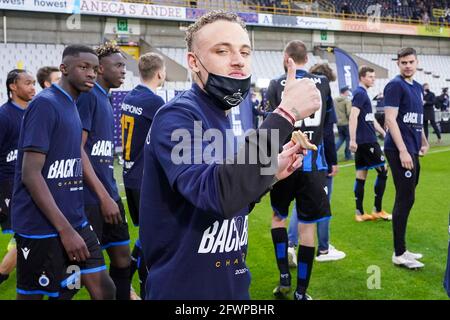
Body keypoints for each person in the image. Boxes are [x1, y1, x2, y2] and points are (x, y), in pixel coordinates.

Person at [139, 11, 321, 300]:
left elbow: (235, 203)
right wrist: (285, 114)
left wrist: (271, 172)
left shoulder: (225, 115)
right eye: (222, 50)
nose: (238, 60)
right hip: (186, 289)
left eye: (244, 51)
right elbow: (217, 194)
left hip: (232, 283)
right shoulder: (177, 115)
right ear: (193, 62)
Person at [11, 45, 116, 299]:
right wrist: (65, 230)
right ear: (64, 69)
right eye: (83, 67)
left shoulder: (73, 104)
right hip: (41, 226)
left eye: (94, 68)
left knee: (104, 289)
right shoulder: (45, 105)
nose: (91, 73)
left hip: (76, 219)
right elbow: (31, 174)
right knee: (33, 295)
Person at [267, 41, 336, 300]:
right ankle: (301, 292)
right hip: (313, 164)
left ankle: (284, 276)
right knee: (307, 229)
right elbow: (329, 126)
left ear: (287, 58)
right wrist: (332, 161)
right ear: (306, 58)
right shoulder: (323, 83)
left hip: (284, 163)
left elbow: (272, 126)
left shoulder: (276, 84)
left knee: (278, 218)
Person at [76, 42, 131, 300]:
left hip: (109, 195)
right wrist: (103, 197)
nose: (123, 71)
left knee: (123, 260)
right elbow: (78, 150)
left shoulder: (105, 98)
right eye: (118, 65)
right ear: (100, 69)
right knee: (79, 274)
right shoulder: (88, 96)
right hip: (91, 200)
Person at [286, 63, 345, 265]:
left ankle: (290, 244)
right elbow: (328, 132)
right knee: (321, 203)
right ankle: (324, 248)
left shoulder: (299, 90)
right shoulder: (323, 91)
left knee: (299, 203)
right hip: (316, 158)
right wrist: (333, 161)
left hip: (295, 156)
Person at [121, 52, 166, 299]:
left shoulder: (130, 97)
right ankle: (139, 283)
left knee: (146, 234)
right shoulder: (154, 103)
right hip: (144, 179)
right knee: (154, 237)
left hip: (129, 176)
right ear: (160, 73)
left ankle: (126, 279)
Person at [384, 47, 428, 269]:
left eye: (411, 62)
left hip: (412, 147)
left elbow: (416, 118)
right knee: (404, 197)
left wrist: (423, 140)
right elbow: (391, 120)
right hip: (398, 149)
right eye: (404, 62)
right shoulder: (394, 85)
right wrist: (402, 150)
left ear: (417, 62)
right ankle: (399, 253)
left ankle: (403, 249)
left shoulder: (418, 87)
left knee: (409, 196)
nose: (408, 65)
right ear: (398, 64)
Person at [0, 69, 36, 286]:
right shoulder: (4, 116)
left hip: (29, 184)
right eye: (28, 83)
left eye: (34, 83)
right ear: (13, 86)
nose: (33, 87)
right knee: (25, 235)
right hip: (8, 187)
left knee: (27, 235)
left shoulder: (34, 112)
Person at [349, 66, 391, 222]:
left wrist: (383, 132)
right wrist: (352, 139)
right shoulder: (360, 93)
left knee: (361, 174)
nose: (373, 79)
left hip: (365, 140)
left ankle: (359, 213)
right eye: (370, 76)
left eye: (374, 76)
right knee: (384, 170)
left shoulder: (362, 93)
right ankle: (377, 210)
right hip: (367, 141)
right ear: (362, 77)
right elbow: (353, 116)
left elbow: (369, 119)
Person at [334, 86, 353, 161]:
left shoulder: (335, 100)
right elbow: (349, 112)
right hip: (346, 123)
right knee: (348, 139)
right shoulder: (347, 100)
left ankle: (333, 151)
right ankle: (348, 156)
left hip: (338, 123)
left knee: (341, 138)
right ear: (345, 92)